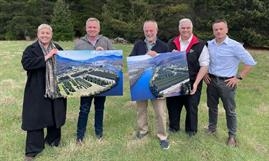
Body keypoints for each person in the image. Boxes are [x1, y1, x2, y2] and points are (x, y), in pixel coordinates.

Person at [204, 19, 256, 146]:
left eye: (221, 29)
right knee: (212, 107)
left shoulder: (235, 46)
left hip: (227, 83)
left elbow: (250, 62)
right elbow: (204, 60)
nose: (218, 31)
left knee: (230, 110)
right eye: (216, 29)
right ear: (213, 31)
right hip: (211, 81)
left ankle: (232, 136)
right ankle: (212, 128)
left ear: (226, 30)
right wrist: (205, 73)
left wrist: (238, 77)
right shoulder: (209, 44)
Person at [21, 24, 67, 161]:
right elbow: (27, 64)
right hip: (37, 89)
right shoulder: (31, 49)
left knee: (55, 114)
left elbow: (67, 64)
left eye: (47, 33)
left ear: (51, 35)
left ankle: (53, 141)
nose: (45, 35)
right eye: (42, 33)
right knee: (36, 118)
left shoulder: (58, 48)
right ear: (38, 34)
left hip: (55, 88)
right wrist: (47, 57)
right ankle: (32, 150)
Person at [130, 20, 170, 150]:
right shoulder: (138, 45)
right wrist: (144, 57)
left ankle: (163, 136)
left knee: (160, 111)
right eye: (146, 30)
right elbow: (131, 60)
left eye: (151, 30)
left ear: (156, 31)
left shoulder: (164, 46)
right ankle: (143, 131)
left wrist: (157, 56)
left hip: (158, 84)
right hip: (141, 83)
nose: (149, 33)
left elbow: (168, 65)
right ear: (144, 31)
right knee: (141, 109)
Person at [166, 18, 209, 136]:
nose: (185, 30)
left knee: (191, 106)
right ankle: (173, 127)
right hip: (174, 80)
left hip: (192, 81)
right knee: (173, 104)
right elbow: (164, 61)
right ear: (179, 28)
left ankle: (191, 130)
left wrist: (196, 83)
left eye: (188, 28)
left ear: (192, 28)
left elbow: (204, 65)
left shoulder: (200, 44)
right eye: (183, 28)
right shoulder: (171, 43)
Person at [75, 17, 114, 144]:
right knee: (84, 108)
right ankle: (80, 136)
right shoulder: (79, 43)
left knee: (100, 108)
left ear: (99, 29)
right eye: (90, 27)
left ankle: (99, 133)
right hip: (86, 82)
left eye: (94, 27)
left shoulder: (106, 41)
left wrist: (105, 53)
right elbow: (75, 64)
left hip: (101, 80)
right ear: (86, 28)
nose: (92, 29)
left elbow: (115, 61)